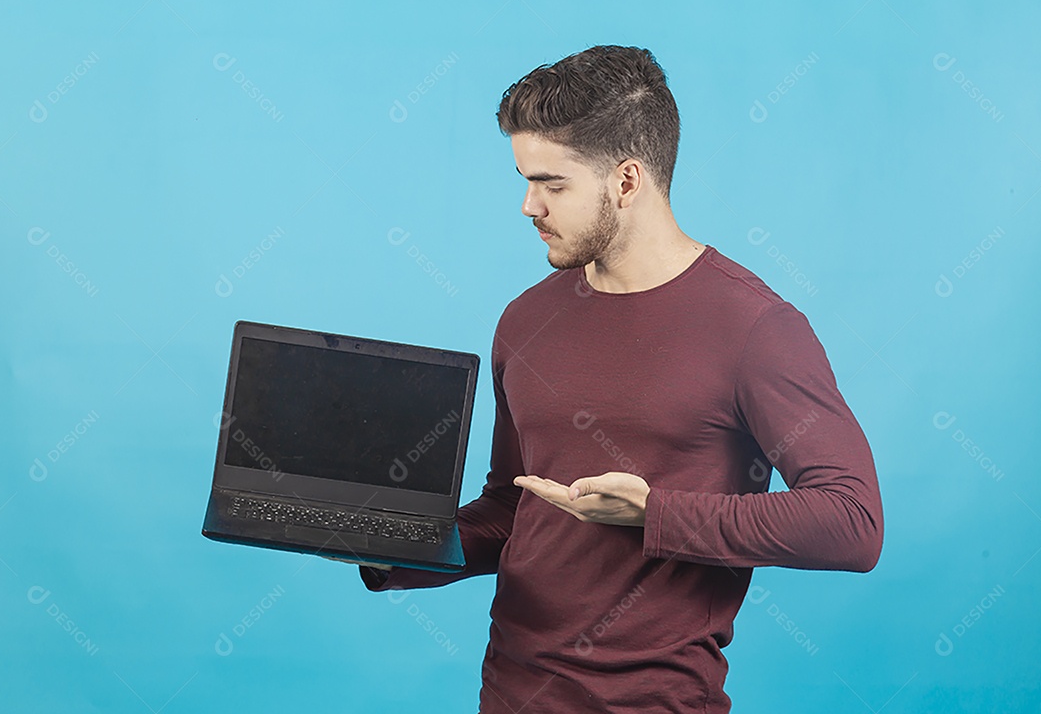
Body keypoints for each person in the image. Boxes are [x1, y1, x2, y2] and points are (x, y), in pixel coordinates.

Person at [337, 44, 883, 713]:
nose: (528, 206)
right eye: (524, 180)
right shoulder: (525, 319)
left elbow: (852, 522)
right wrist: (386, 551)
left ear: (626, 182)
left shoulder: (755, 327)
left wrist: (653, 513)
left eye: (552, 184)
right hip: (509, 694)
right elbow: (516, 510)